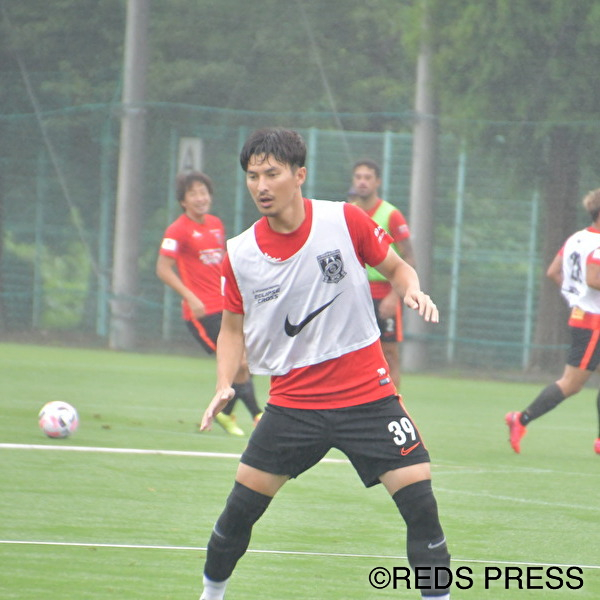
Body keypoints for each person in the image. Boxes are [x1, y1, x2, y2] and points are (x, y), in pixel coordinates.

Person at [198, 128, 451, 600]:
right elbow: (231, 330)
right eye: (252, 176)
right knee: (238, 514)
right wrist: (223, 383)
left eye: (272, 174)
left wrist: (411, 289)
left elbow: (398, 267)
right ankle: (211, 594)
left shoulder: (344, 220)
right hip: (292, 406)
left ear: (300, 175)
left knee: (422, 508)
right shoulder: (240, 254)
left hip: (370, 399)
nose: (261, 186)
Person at [156, 171, 262, 436]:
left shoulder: (215, 224)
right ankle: (258, 415)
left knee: (249, 362)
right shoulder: (177, 230)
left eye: (203, 192)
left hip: (227, 306)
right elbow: (163, 269)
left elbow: (221, 264)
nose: (200, 198)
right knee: (239, 363)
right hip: (203, 311)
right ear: (183, 201)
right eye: (193, 194)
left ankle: (225, 414)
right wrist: (191, 297)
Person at [506, 187, 600, 455]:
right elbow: (594, 279)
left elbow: (553, 271)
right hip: (593, 323)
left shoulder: (577, 238)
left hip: (585, 316)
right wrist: (582, 298)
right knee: (571, 383)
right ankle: (520, 419)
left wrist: (574, 297)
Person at [349, 159, 416, 389]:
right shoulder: (348, 212)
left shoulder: (391, 214)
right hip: (355, 294)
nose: (362, 182)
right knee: (352, 355)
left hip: (384, 293)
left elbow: (409, 258)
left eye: (367, 177)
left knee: (389, 354)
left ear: (377, 182)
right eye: (358, 177)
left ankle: (393, 403)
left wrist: (394, 296)